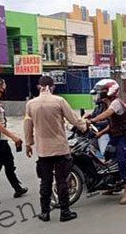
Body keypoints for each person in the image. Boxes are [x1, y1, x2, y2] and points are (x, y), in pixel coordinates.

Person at [24, 76, 87, 222]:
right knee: (62, 181)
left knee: (45, 182)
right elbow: (73, 119)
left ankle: (45, 213)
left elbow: (28, 125)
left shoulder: (31, 104)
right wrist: (84, 127)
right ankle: (65, 212)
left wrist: (28, 143)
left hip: (43, 150)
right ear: (52, 87)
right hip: (60, 149)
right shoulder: (59, 101)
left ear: (39, 87)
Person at [87, 79, 126, 205]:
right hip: (115, 137)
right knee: (106, 160)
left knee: (121, 161)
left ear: (110, 91)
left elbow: (107, 114)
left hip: (125, 137)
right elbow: (111, 124)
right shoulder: (106, 103)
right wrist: (100, 133)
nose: (100, 94)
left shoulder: (116, 103)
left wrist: (93, 120)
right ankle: (114, 184)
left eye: (102, 91)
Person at [0, 78, 28, 205]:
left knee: (9, 165)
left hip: (2, 140)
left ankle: (17, 189)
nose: (5, 87)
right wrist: (13, 137)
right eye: (4, 85)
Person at [85, 89, 110, 162]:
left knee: (101, 152)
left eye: (96, 96)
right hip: (96, 132)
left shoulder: (108, 107)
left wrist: (94, 122)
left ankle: (104, 162)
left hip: (105, 133)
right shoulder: (98, 108)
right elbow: (93, 117)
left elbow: (108, 122)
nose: (94, 98)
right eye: (93, 96)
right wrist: (87, 117)